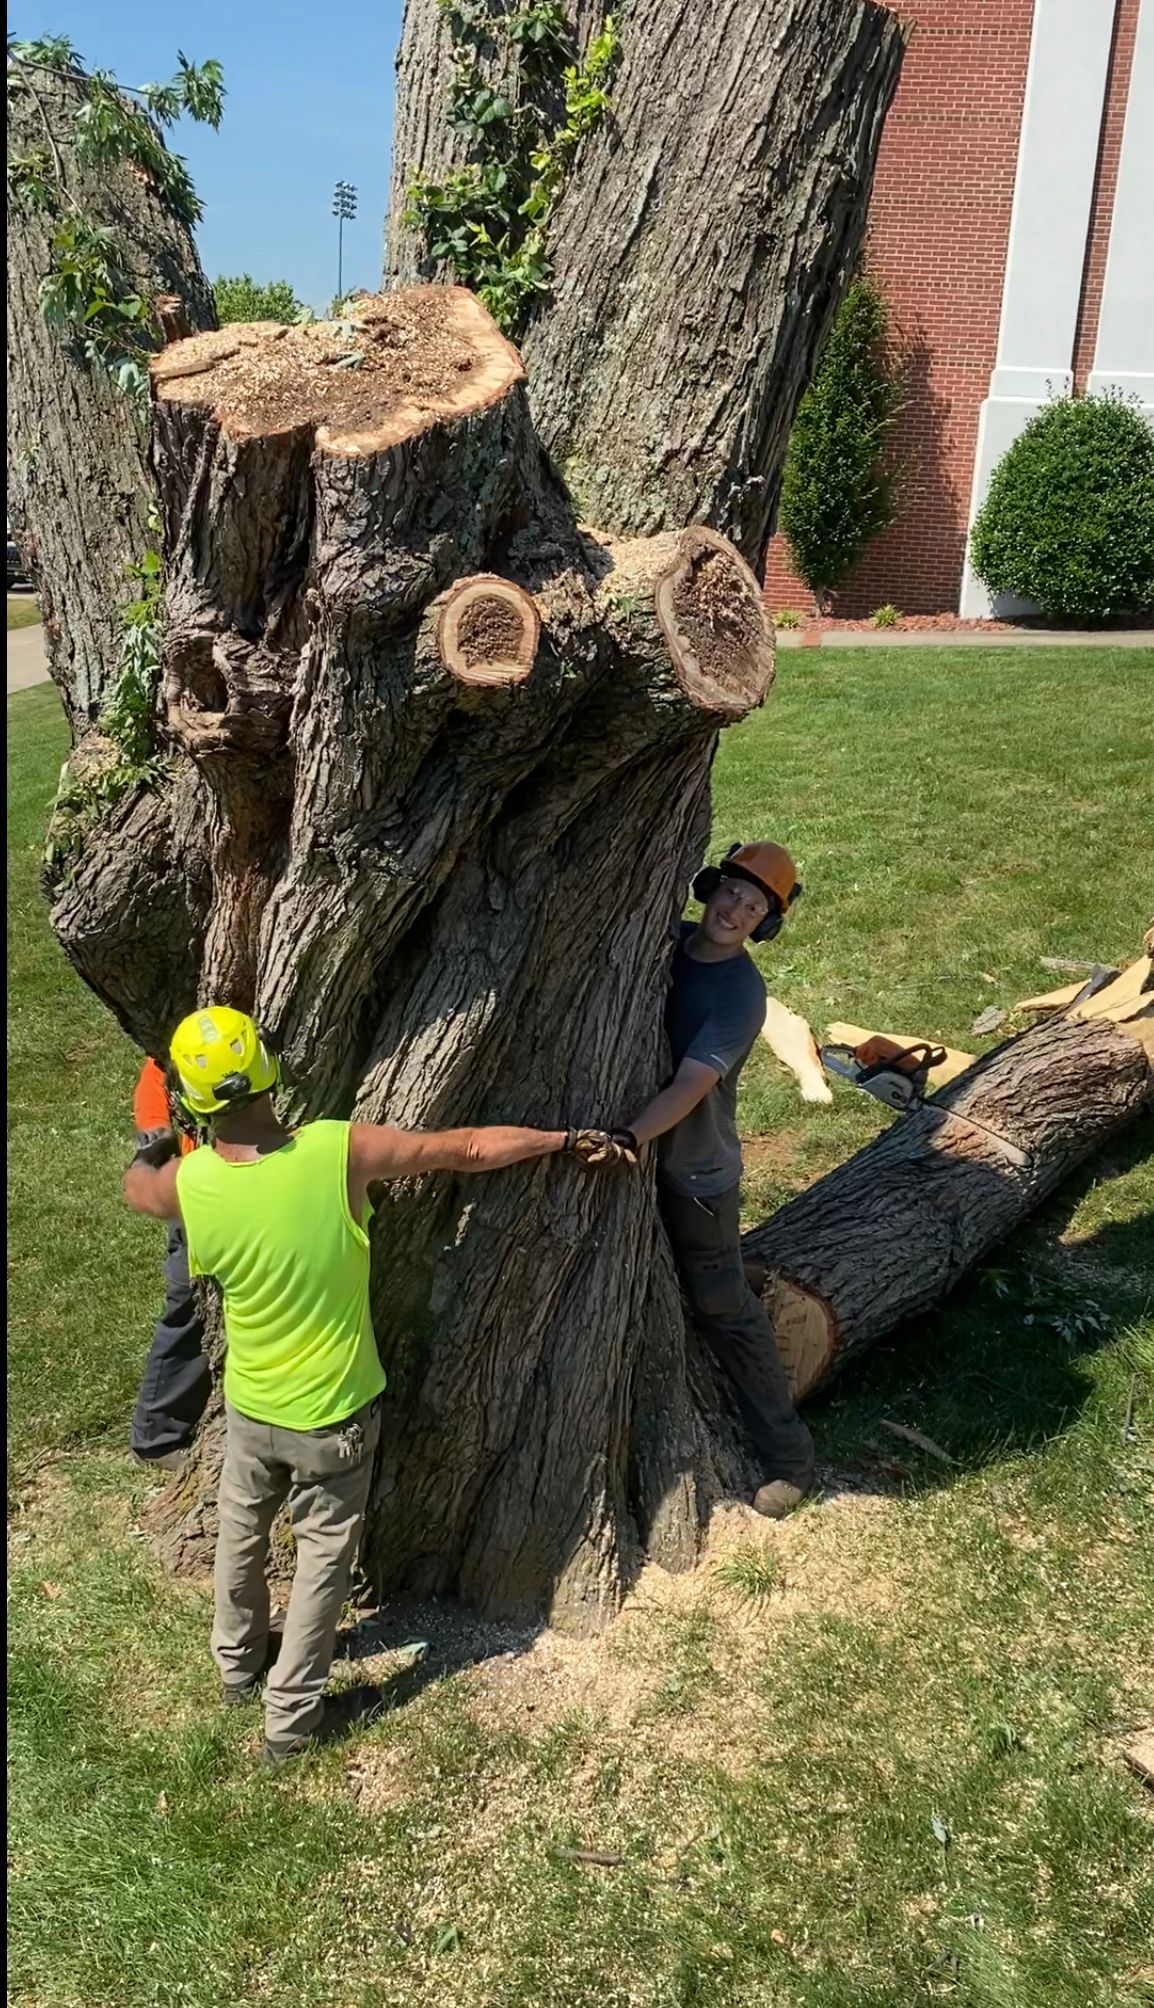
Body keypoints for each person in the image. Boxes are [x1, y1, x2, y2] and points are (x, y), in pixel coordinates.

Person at [123, 1005, 619, 1765]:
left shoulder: (186, 1187)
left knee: (239, 1533)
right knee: (323, 1559)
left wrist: (153, 1144)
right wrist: (561, 1139)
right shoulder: (335, 1151)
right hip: (335, 1413)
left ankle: (237, 1668)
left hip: (252, 1408)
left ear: (196, 1105)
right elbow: (468, 1148)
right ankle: (291, 1723)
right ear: (270, 1072)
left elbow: (139, 1188)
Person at [610, 842, 816, 1518]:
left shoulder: (739, 994)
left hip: (695, 1171)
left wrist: (631, 1136)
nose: (735, 909)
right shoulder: (661, 941)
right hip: (643, 1157)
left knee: (722, 1307)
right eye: (730, 891)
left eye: (754, 907)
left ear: (766, 924)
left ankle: (789, 1456)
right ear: (709, 887)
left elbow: (693, 1085)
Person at [129, 1058, 211, 1472]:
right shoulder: (184, 1042)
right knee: (191, 1307)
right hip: (200, 1195)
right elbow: (154, 1081)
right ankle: (157, 1437)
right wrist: (158, 1139)